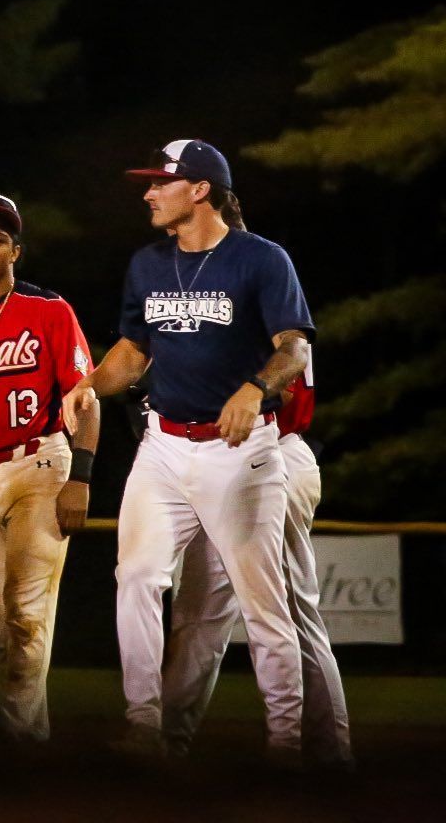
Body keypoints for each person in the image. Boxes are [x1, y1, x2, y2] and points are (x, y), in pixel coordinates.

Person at [68, 139, 313, 758]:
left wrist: (255, 390)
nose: (148, 194)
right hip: (163, 446)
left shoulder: (261, 259)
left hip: (239, 451)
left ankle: (286, 741)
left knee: (263, 605)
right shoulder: (149, 263)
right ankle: (145, 721)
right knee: (138, 575)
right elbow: (133, 352)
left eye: (160, 183)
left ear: (200, 189)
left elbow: (295, 349)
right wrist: (88, 385)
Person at [161, 360, 352, 766]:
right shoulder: (252, 306)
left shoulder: (267, 310)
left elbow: (279, 393)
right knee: (199, 611)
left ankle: (329, 753)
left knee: (287, 610)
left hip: (272, 454)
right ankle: (166, 741)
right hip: (224, 459)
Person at [0, 192, 97, 742]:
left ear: (16, 251)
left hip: (40, 463)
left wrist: (81, 474)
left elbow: (86, 397)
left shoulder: (48, 310)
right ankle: (30, 737)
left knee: (26, 616)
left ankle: (21, 752)